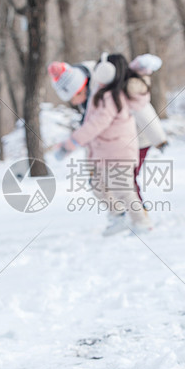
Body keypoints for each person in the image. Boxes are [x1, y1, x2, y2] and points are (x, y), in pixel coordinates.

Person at [52, 52, 155, 236]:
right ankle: (118, 217)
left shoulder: (110, 97)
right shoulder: (99, 95)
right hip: (103, 152)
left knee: (123, 189)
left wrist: (72, 142)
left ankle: (141, 223)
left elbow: (95, 124)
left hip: (118, 151)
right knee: (98, 186)